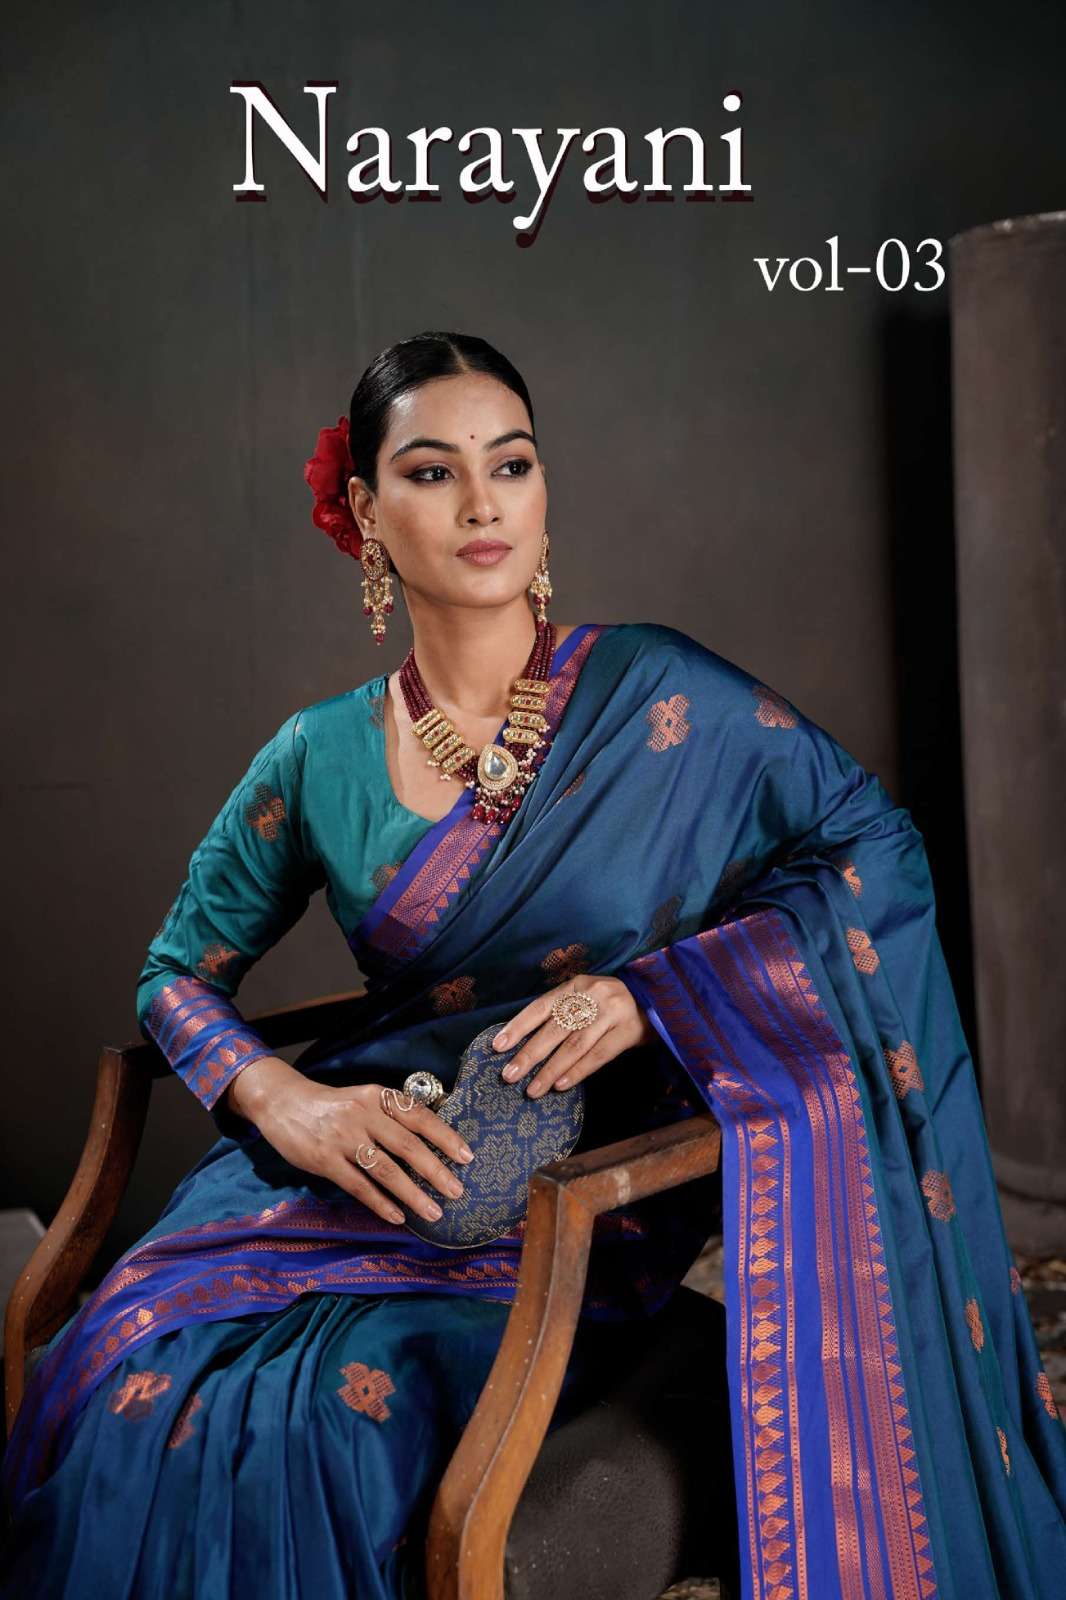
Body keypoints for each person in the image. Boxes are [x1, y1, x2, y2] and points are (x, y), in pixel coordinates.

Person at [2, 330, 1063, 1600]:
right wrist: (289, 1102)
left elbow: (869, 851)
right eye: (432, 472)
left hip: (564, 1206)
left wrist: (650, 995)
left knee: (322, 1422)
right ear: (366, 512)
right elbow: (177, 971)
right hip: (347, 1171)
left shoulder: (659, 693)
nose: (482, 502)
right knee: (141, 1370)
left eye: (509, 463)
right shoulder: (318, 754)